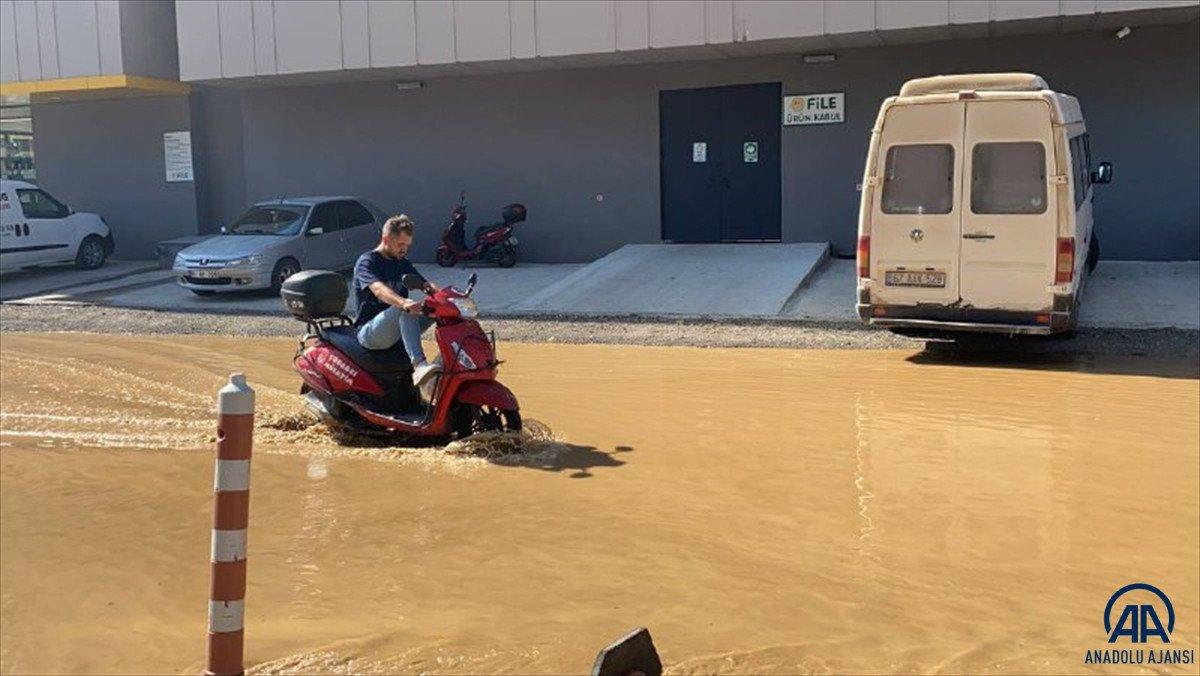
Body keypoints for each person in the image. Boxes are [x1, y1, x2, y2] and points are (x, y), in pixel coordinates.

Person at [353, 215, 439, 384]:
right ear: (386, 239)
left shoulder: (402, 262)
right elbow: (378, 289)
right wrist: (403, 302)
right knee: (403, 307)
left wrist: (446, 296)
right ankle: (419, 365)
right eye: (400, 244)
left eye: (407, 245)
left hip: (397, 328)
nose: (404, 249)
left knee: (436, 308)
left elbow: (426, 285)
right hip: (370, 332)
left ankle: (448, 367)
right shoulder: (367, 262)